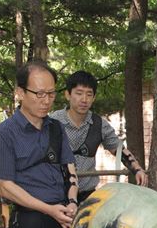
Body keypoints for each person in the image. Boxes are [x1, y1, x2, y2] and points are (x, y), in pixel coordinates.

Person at [0, 61, 79, 228]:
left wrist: (72, 201)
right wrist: (48, 210)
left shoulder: (56, 128)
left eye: (51, 94)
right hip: (31, 222)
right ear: (20, 93)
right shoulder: (4, 134)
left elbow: (69, 170)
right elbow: (5, 187)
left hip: (64, 218)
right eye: (39, 94)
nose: (46, 101)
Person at [50, 70, 147, 203]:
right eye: (79, 93)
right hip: (55, 195)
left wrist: (137, 169)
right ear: (68, 94)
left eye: (89, 94)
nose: (84, 99)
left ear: (94, 97)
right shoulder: (52, 121)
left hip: (87, 196)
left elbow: (118, 149)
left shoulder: (99, 124)